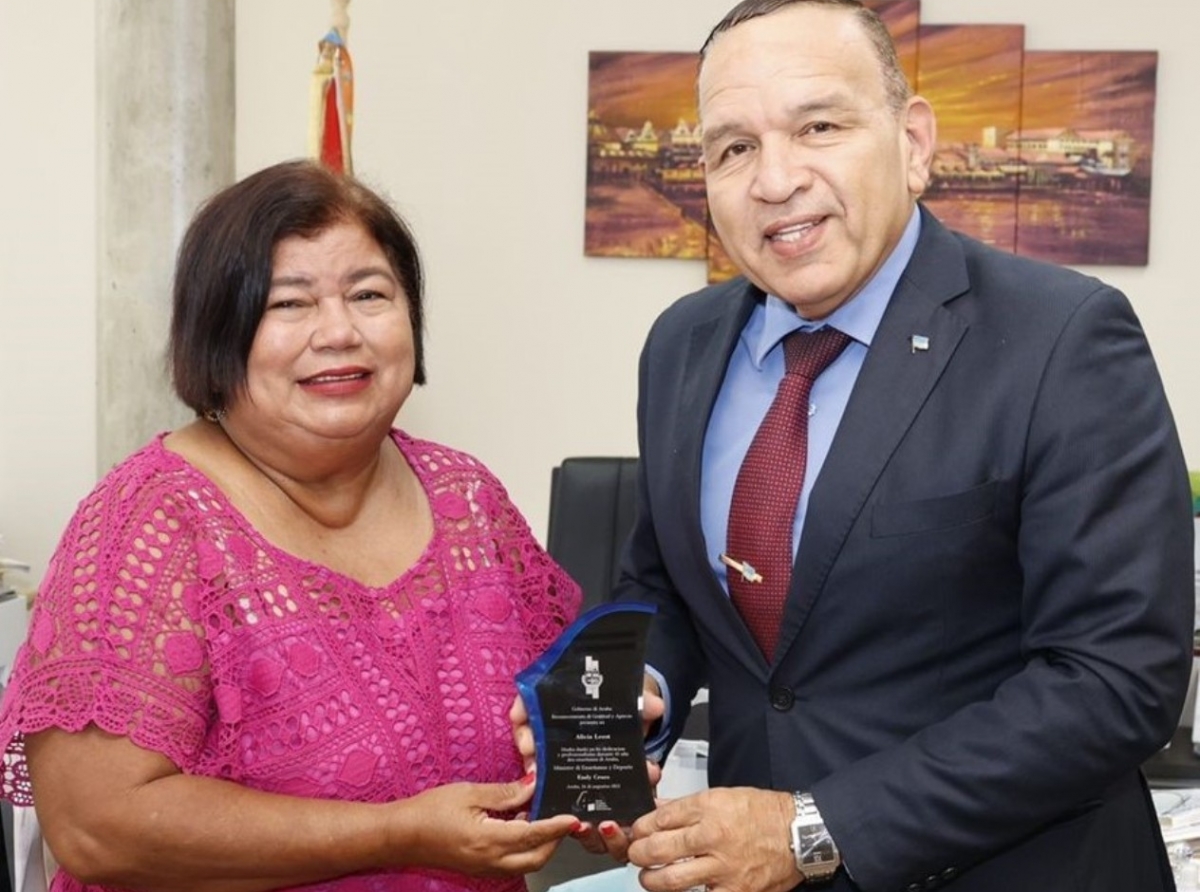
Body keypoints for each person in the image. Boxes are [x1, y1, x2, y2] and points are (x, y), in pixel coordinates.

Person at [604, 2, 1195, 890]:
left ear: (913, 143)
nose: (775, 179)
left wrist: (813, 830)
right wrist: (626, 692)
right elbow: (667, 585)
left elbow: (1113, 680)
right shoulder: (681, 345)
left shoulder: (1063, 338)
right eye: (733, 148)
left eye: (819, 126)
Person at [0, 160, 584, 892]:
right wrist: (399, 833)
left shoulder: (467, 497)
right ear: (218, 332)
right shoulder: (150, 523)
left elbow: (549, 706)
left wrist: (601, 740)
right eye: (290, 304)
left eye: (370, 294)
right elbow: (96, 825)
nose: (339, 332)